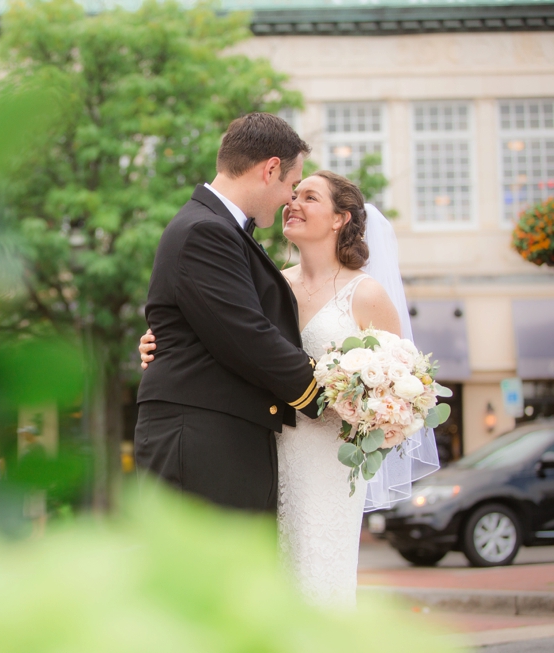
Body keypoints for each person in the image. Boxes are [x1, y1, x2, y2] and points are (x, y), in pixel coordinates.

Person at [140, 170, 439, 608]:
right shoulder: (270, 282)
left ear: (341, 219)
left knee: (316, 581)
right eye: (292, 194)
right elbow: (227, 333)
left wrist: (373, 409)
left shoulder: (367, 294)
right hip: (261, 449)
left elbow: (402, 385)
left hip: (326, 460)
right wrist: (156, 342)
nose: (292, 203)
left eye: (309, 197)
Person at [134, 113, 320, 513]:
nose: (291, 198)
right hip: (203, 446)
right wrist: (330, 394)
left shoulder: (218, 228)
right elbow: (248, 336)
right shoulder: (207, 230)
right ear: (270, 169)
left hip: (219, 440)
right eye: (292, 185)